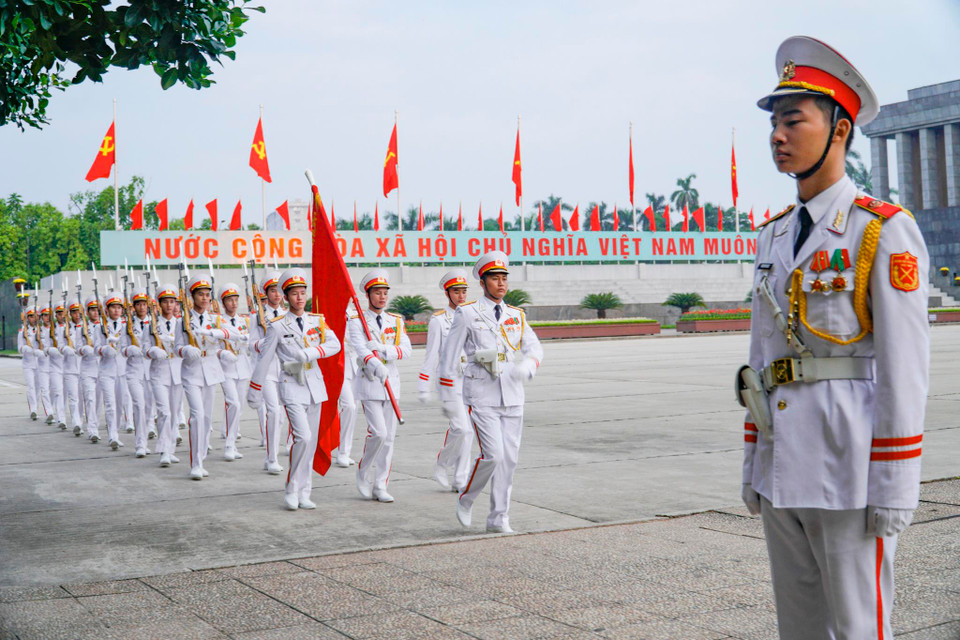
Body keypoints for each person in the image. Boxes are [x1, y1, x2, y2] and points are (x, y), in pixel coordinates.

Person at [739, 36, 929, 639]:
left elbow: (906, 368)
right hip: (781, 465)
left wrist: (896, 482)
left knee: (859, 629)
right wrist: (752, 460)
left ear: (840, 129)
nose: (778, 135)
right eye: (774, 122)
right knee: (798, 630)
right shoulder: (772, 237)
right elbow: (761, 361)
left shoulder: (881, 231)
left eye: (794, 120)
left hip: (850, 469)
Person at [438, 251, 543, 533]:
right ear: (483, 283)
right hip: (481, 393)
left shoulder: (515, 315)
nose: (501, 283)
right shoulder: (468, 313)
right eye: (494, 279)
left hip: (512, 393)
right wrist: (449, 393)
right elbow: (449, 357)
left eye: (503, 278)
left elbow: (534, 348)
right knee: (492, 455)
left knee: (509, 460)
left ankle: (499, 518)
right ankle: (467, 497)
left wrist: (528, 365)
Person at [247, 268, 340, 510]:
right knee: (303, 437)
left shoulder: (317, 321)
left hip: (315, 386)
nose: (300, 298)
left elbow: (335, 344)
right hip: (291, 385)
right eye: (295, 294)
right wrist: (254, 390)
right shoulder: (277, 326)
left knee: (310, 442)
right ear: (285, 297)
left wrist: (311, 352)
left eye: (302, 293)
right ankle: (291, 487)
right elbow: (264, 359)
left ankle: (304, 491)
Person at [348, 269, 411, 503]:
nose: (382, 297)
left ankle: (381, 484)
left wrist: (384, 349)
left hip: (391, 383)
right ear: (368, 295)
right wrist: (375, 363)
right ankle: (363, 471)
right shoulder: (357, 321)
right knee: (379, 433)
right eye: (377, 292)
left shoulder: (395, 321)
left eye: (385, 292)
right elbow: (360, 348)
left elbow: (406, 349)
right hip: (370, 382)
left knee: (390, 438)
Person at [175, 274, 238, 480]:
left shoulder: (216, 319)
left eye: (207, 295)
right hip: (192, 371)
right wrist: (185, 349)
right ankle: (195, 463)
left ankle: (201, 457)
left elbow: (231, 333)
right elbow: (176, 346)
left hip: (211, 370)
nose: (204, 298)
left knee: (207, 418)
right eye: (200, 295)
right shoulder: (183, 320)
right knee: (197, 415)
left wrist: (215, 333)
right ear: (192, 297)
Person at [419, 269, 473, 492]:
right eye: (456, 292)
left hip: (470, 381)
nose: (461, 296)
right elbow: (431, 356)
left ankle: (460, 479)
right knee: (462, 429)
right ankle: (442, 463)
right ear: (448, 293)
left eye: (463, 291)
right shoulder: (439, 321)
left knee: (466, 431)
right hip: (449, 383)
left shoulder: (472, 315)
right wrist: (424, 386)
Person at [248, 270, 286, 474]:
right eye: (273, 291)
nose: (277, 295)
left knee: (281, 415)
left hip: (286, 370)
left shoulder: (288, 315)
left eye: (279, 291)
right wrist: (264, 344)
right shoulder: (258, 317)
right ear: (266, 293)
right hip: (268, 371)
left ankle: (272, 453)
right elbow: (251, 343)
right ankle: (272, 458)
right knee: (273, 410)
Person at [145, 283, 184, 467]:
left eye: (172, 302)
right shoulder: (152, 325)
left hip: (177, 371)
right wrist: (152, 350)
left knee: (175, 413)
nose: (169, 305)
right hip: (159, 372)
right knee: (164, 412)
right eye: (165, 302)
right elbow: (143, 347)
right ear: (159, 304)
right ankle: (163, 451)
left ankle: (170, 449)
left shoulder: (182, 324)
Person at [217, 282, 251, 461]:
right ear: (224, 303)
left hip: (242, 367)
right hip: (226, 369)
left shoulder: (245, 321)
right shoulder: (218, 321)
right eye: (230, 300)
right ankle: (229, 445)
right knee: (234, 404)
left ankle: (233, 443)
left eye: (236, 299)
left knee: (240, 407)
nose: (234, 303)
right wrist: (222, 353)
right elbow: (213, 344)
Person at [94, 292, 127, 451]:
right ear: (107, 310)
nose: (116, 310)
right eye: (113, 307)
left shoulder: (127, 325)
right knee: (110, 404)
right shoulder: (100, 326)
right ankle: (112, 435)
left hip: (122, 369)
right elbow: (95, 347)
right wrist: (104, 349)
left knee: (120, 404)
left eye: (119, 307)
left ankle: (117, 432)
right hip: (106, 369)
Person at [334, 307, 359, 468]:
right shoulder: (329, 311)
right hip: (338, 367)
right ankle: (340, 452)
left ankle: (345, 451)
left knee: (353, 409)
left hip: (355, 366)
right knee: (348, 406)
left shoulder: (356, 313)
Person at [77, 298, 102, 442]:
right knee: (90, 399)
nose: (95, 312)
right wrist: (83, 349)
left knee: (98, 401)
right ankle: (92, 430)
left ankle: (95, 425)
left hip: (102, 368)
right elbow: (76, 348)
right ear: (87, 312)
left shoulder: (105, 326)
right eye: (92, 310)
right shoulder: (81, 328)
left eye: (97, 309)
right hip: (87, 369)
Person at [59, 301, 84, 436]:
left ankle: (80, 419)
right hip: (69, 367)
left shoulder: (85, 327)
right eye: (74, 312)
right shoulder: (64, 329)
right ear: (69, 313)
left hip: (83, 367)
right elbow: (59, 346)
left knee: (82, 397)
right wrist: (64, 348)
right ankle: (76, 422)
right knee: (73, 397)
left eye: (78, 312)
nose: (76, 315)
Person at [17, 306, 42, 420]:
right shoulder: (22, 331)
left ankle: (35, 405)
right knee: (31, 386)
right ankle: (33, 409)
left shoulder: (40, 329)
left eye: (35, 316)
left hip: (39, 363)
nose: (33, 318)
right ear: (27, 318)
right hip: (28, 363)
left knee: (38, 387)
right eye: (31, 316)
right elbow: (19, 348)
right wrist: (27, 349)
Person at [35, 307, 54, 424]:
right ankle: (49, 412)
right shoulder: (38, 331)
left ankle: (52, 409)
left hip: (54, 365)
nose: (47, 317)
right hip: (43, 365)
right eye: (45, 315)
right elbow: (33, 348)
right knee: (45, 390)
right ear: (41, 317)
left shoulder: (56, 330)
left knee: (54, 390)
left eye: (49, 315)